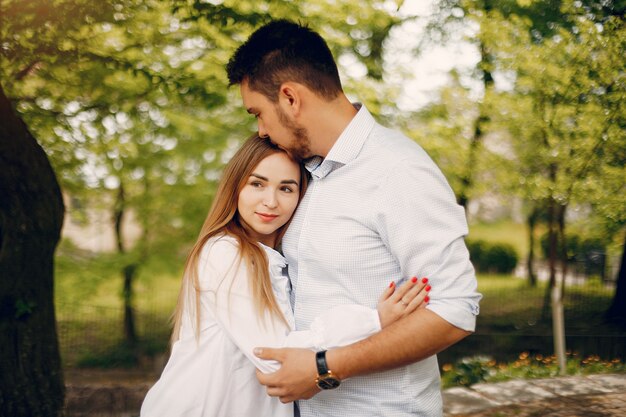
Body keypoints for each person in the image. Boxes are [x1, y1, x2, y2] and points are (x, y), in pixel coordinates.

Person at [226, 20, 482, 417]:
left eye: (258, 112)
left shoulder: (398, 171)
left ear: (290, 98)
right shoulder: (300, 175)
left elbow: (455, 310)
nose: (259, 130)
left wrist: (323, 369)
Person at [140, 134, 430, 417]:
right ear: (235, 187)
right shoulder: (224, 253)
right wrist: (373, 321)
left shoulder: (276, 262)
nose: (271, 201)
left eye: (286, 189)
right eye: (257, 184)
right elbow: (275, 358)